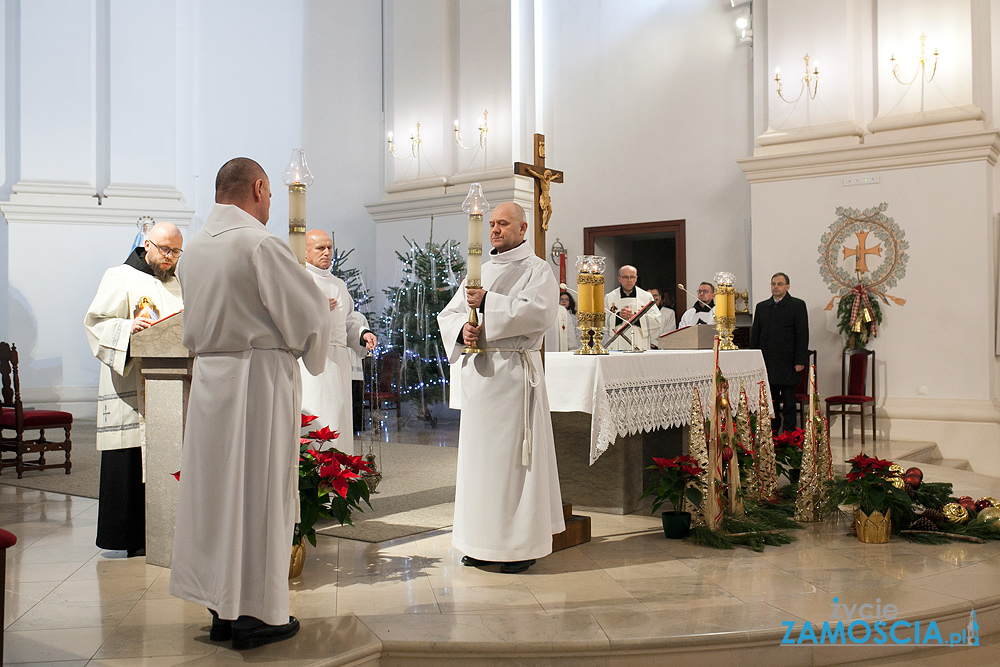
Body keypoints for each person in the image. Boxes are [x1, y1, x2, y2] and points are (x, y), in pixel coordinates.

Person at [169, 158, 330, 650]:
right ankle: (257, 615)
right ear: (259, 188)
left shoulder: (192, 250)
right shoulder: (260, 244)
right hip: (257, 381)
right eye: (270, 195)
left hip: (211, 382)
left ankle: (221, 607)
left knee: (217, 497)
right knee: (259, 493)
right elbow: (307, 317)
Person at [438, 202, 565, 574]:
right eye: (491, 223)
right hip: (481, 377)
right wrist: (464, 329)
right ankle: (480, 541)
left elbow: (539, 313)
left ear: (523, 228)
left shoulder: (537, 270)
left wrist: (489, 303)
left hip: (514, 377)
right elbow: (450, 314)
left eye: (503, 223)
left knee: (514, 463)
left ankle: (518, 546)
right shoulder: (480, 270)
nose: (494, 229)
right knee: (480, 465)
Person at [84, 222, 184, 558]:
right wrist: (128, 328)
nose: (169, 258)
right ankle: (128, 536)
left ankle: (168, 532)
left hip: (171, 389)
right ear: (147, 244)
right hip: (130, 386)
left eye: (175, 251)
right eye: (164, 249)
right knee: (129, 459)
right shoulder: (119, 276)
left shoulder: (180, 285)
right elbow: (96, 322)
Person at [300, 229, 377, 454]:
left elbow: (348, 321)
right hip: (312, 361)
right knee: (316, 415)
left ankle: (339, 472)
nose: (326, 252)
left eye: (329, 248)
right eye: (319, 248)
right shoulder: (300, 280)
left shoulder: (339, 284)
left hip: (338, 362)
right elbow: (290, 317)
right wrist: (317, 309)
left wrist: (362, 334)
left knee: (339, 416)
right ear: (305, 253)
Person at [749, 272, 809, 433]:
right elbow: (756, 335)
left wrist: (800, 360)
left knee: (789, 402)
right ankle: (773, 433)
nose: (776, 287)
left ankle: (790, 433)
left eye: (779, 284)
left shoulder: (797, 305)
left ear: (787, 286)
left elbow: (802, 335)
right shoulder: (762, 307)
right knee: (771, 400)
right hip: (768, 362)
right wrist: (754, 360)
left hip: (789, 363)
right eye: (773, 284)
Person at [603, 265, 661, 351]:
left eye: (632, 277)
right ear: (619, 279)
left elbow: (656, 321)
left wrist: (634, 316)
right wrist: (618, 316)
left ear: (636, 278)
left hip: (640, 343)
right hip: (616, 344)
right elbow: (601, 321)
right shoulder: (610, 297)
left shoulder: (646, 296)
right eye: (625, 277)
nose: (629, 280)